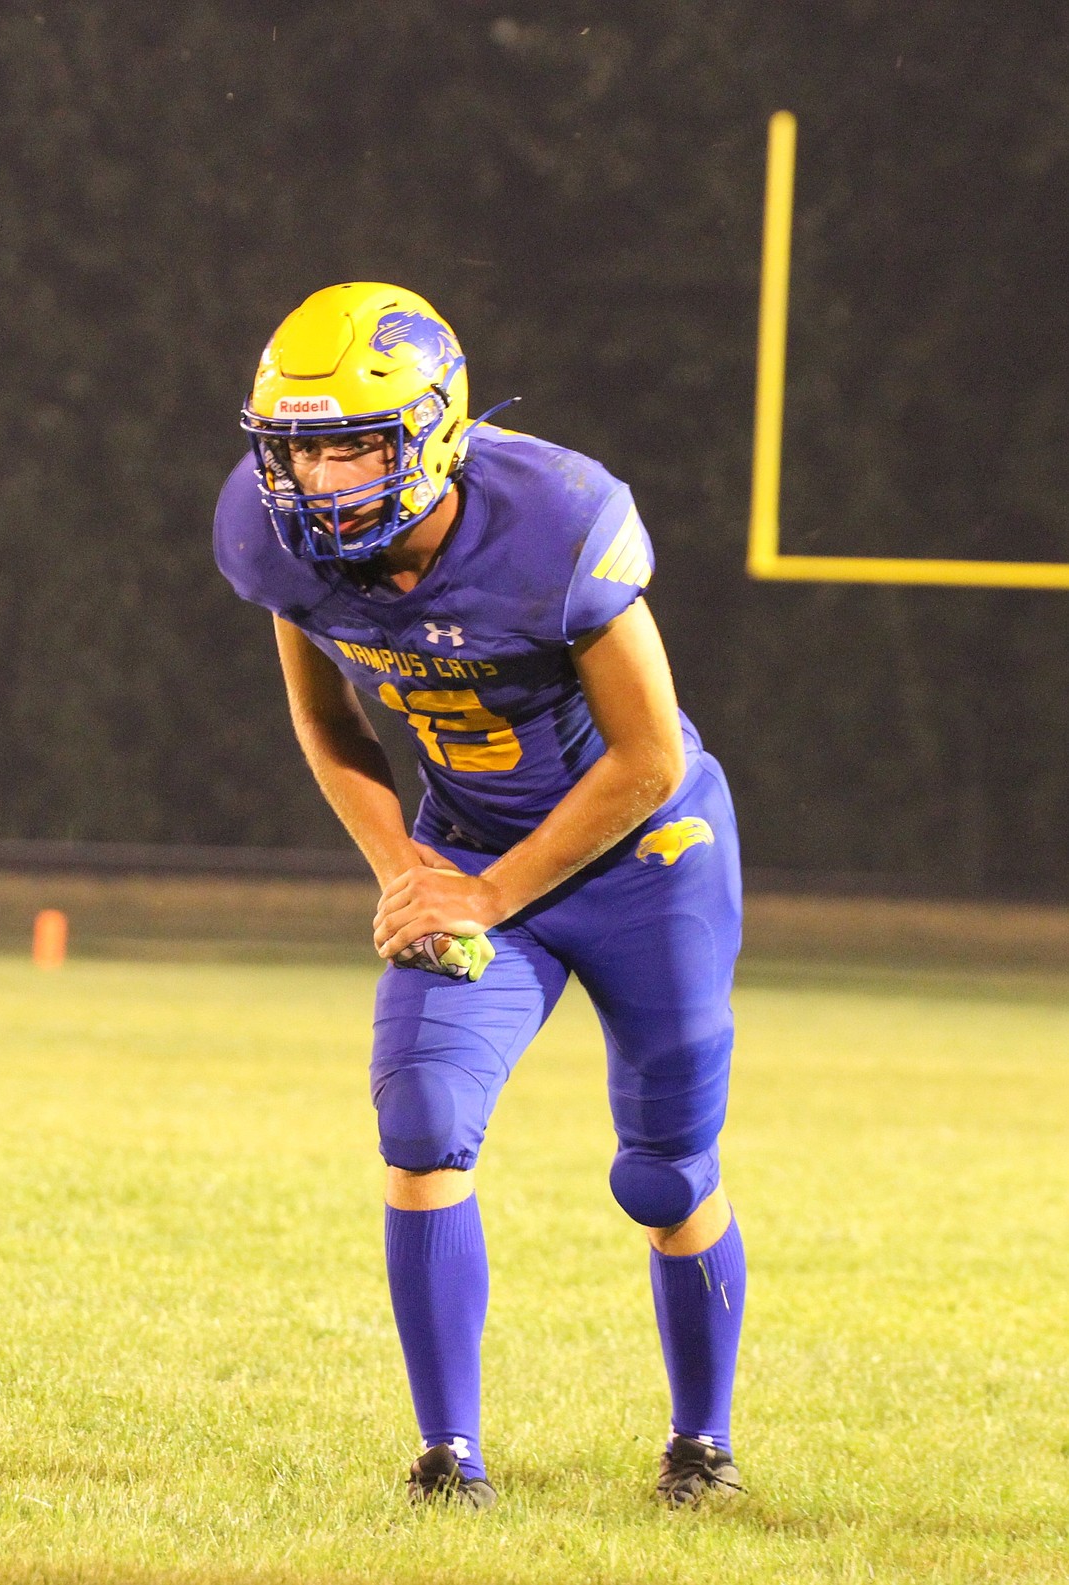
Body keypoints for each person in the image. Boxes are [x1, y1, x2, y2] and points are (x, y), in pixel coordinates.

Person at [214, 282, 746, 1511]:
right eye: (295, 449)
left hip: (644, 861)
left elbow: (651, 758)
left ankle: (701, 1444)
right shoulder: (272, 535)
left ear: (434, 431)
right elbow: (324, 717)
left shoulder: (556, 521)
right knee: (421, 1119)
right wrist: (407, 868)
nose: (318, 479)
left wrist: (486, 894)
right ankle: (449, 1453)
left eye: (353, 443)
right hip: (466, 852)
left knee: (665, 1174)